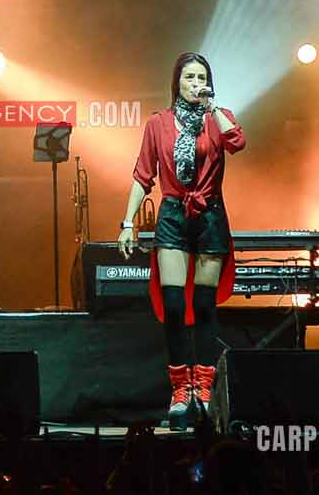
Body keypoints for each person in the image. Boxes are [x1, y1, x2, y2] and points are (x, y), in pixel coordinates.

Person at [117, 52, 244, 428]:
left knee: (204, 306)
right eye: (189, 77)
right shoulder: (159, 123)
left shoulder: (218, 120)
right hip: (173, 214)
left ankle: (203, 391)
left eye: (201, 76)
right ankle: (180, 391)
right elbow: (143, 175)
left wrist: (213, 106)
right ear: (177, 82)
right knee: (174, 305)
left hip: (209, 215)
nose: (194, 82)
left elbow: (237, 142)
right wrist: (127, 223)